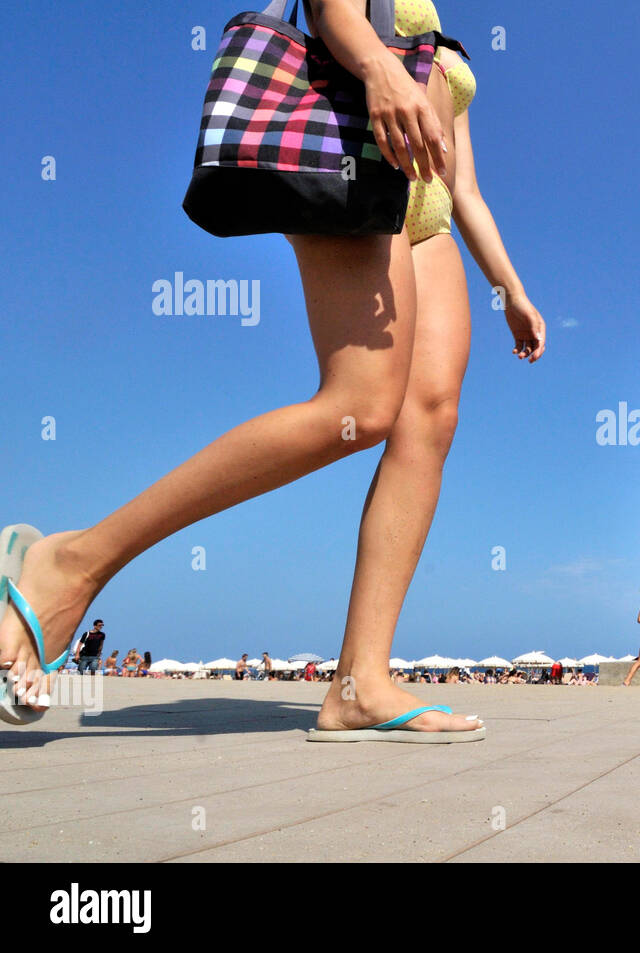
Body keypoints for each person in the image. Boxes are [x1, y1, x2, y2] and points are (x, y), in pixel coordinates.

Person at [1, 1, 545, 740]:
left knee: (430, 419)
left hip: (428, 217)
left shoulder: (438, 19)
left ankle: (360, 682)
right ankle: (69, 562)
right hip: (350, 166)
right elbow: (329, 9)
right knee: (358, 406)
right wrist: (377, 64)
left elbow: (465, 183)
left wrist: (511, 287)